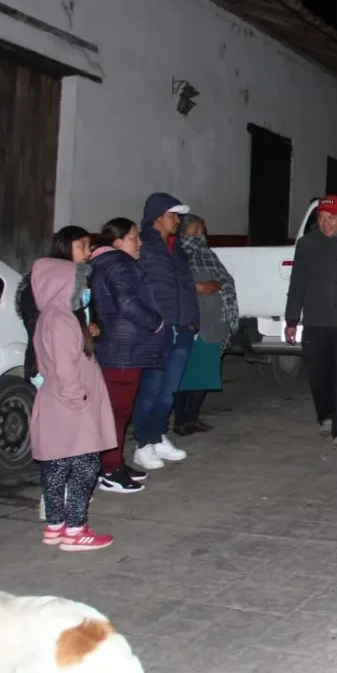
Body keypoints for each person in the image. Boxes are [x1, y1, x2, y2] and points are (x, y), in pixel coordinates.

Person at [29, 257, 117, 551]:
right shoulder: (63, 319)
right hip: (71, 401)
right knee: (84, 465)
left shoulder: (49, 316)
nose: (83, 291)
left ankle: (55, 525)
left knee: (56, 465)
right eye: (79, 285)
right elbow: (66, 365)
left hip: (55, 399)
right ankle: (76, 530)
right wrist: (77, 397)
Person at [89, 218, 164, 494]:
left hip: (119, 346)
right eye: (134, 237)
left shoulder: (105, 263)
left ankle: (114, 462)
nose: (140, 243)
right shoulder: (118, 264)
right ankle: (109, 470)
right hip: (124, 348)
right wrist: (156, 321)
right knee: (117, 413)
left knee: (118, 412)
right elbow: (128, 302)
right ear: (118, 241)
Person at [285, 195, 337, 449]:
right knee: (319, 375)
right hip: (316, 320)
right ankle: (326, 416)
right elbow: (297, 282)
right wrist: (292, 319)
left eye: (331, 218)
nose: (326, 223)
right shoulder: (307, 244)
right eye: (321, 218)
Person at [132, 193, 196, 471]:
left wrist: (193, 322)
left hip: (181, 327)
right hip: (158, 329)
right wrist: (152, 323)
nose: (178, 220)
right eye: (174, 215)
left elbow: (186, 286)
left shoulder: (177, 248)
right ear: (158, 216)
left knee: (169, 391)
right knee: (151, 388)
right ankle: (142, 443)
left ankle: (158, 436)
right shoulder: (144, 245)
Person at [172, 214, 237, 435]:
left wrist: (214, 284)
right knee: (188, 375)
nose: (199, 236)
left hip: (213, 323)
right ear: (183, 232)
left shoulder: (208, 255)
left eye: (202, 232)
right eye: (195, 231)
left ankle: (193, 418)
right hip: (192, 324)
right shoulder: (175, 256)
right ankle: (181, 421)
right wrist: (194, 286)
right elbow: (172, 284)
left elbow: (226, 279)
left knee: (206, 375)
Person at [16, 226, 98, 390]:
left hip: (79, 360)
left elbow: (90, 311)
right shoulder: (42, 281)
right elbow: (36, 324)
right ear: (63, 247)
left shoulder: (81, 278)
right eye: (81, 246)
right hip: (50, 364)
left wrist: (96, 326)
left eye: (89, 246)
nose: (88, 252)